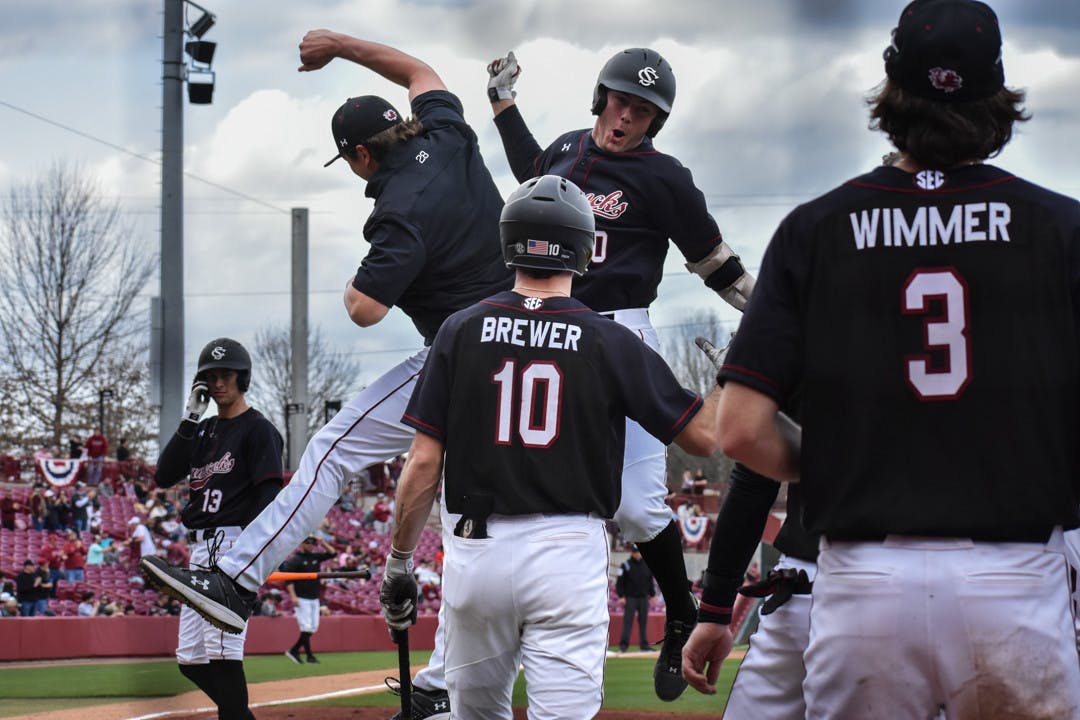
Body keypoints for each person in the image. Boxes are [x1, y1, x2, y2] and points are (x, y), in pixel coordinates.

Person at [712, 2, 1080, 717]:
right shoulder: (1061, 229)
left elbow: (740, 430)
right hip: (1014, 576)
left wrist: (844, 463)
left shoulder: (813, 229)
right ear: (997, 94)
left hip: (864, 579)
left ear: (892, 89)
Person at [137, 29, 514, 720]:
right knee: (468, 526)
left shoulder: (397, 212)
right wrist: (339, 45)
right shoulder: (451, 133)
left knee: (332, 452)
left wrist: (363, 273)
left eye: (350, 160)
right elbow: (419, 66)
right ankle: (448, 686)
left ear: (364, 152)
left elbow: (364, 307)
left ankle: (236, 579)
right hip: (524, 349)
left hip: (465, 355)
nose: (353, 169)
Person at [379, 174, 723, 719]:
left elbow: (423, 464)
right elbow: (703, 439)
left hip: (475, 553)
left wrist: (399, 561)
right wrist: (728, 382)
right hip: (566, 548)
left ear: (508, 242)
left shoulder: (460, 329)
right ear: (584, 250)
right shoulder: (609, 340)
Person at [485, 46, 754, 701]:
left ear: (655, 120)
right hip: (544, 329)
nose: (625, 115)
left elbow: (714, 262)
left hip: (619, 330)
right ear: (599, 98)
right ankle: (493, 649)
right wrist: (502, 106)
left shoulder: (664, 178)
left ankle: (681, 611)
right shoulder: (568, 149)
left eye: (642, 108)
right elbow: (531, 169)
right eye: (619, 100)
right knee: (516, 492)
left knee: (636, 505)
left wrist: (776, 313)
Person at [141, 337, 284, 720]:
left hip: (231, 544)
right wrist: (189, 418)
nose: (219, 382)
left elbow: (269, 496)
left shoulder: (259, 430)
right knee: (191, 659)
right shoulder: (202, 431)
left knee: (222, 656)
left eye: (227, 375)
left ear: (243, 378)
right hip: (200, 550)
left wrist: (246, 555)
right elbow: (163, 474)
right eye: (211, 376)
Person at [282, 536, 336, 665]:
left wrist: (322, 542)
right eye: (307, 543)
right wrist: (293, 596)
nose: (310, 545)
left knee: (312, 628)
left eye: (312, 543)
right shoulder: (296, 560)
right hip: (302, 598)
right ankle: (302, 653)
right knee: (306, 628)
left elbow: (333, 553)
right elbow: (288, 579)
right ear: (301, 544)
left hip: (314, 598)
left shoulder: (314, 557)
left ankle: (301, 653)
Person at [616, 545, 655, 653]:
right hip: (630, 598)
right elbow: (620, 583)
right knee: (627, 622)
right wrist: (621, 596)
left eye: (638, 552)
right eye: (635, 552)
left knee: (643, 622)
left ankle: (644, 645)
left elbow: (650, 581)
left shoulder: (647, 565)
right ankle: (623, 646)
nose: (637, 554)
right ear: (631, 553)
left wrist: (653, 594)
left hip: (643, 598)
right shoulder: (625, 565)